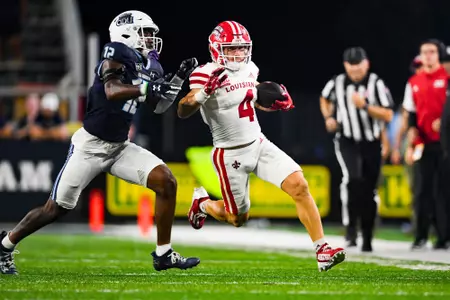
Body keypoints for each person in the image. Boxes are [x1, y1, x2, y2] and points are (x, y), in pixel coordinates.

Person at [0, 10, 200, 275]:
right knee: (54, 209)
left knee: (167, 182)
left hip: (119, 147)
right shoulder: (116, 52)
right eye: (146, 33)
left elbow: (160, 106)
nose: (151, 39)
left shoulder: (150, 66)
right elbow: (112, 90)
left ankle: (163, 254)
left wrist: (177, 79)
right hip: (90, 146)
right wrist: (146, 88)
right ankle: (5, 244)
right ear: (126, 32)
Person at [178, 20, 345, 272]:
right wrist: (203, 93)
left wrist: (273, 102)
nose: (239, 54)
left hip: (258, 143)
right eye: (232, 48)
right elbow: (183, 109)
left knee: (299, 185)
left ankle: (322, 250)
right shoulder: (204, 73)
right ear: (216, 48)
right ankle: (202, 204)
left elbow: (249, 97)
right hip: (228, 153)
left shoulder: (249, 69)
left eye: (242, 48)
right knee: (237, 218)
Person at [320, 47, 394, 252]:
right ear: (345, 66)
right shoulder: (337, 82)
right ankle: (351, 230)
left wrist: (365, 107)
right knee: (353, 180)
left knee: (368, 189)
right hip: (347, 139)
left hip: (371, 141)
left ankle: (367, 236)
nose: (355, 71)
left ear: (366, 63)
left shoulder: (376, 83)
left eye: (358, 66)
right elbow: (324, 98)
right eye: (351, 67)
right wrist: (329, 117)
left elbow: (388, 114)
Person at [404, 39, 449, 250]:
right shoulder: (413, 81)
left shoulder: (447, 78)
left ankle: (443, 237)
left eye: (432, 52)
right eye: (424, 52)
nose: (428, 56)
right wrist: (412, 132)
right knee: (422, 190)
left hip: (446, 144)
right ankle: (420, 235)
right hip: (423, 143)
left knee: (444, 190)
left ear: (438, 55)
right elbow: (411, 112)